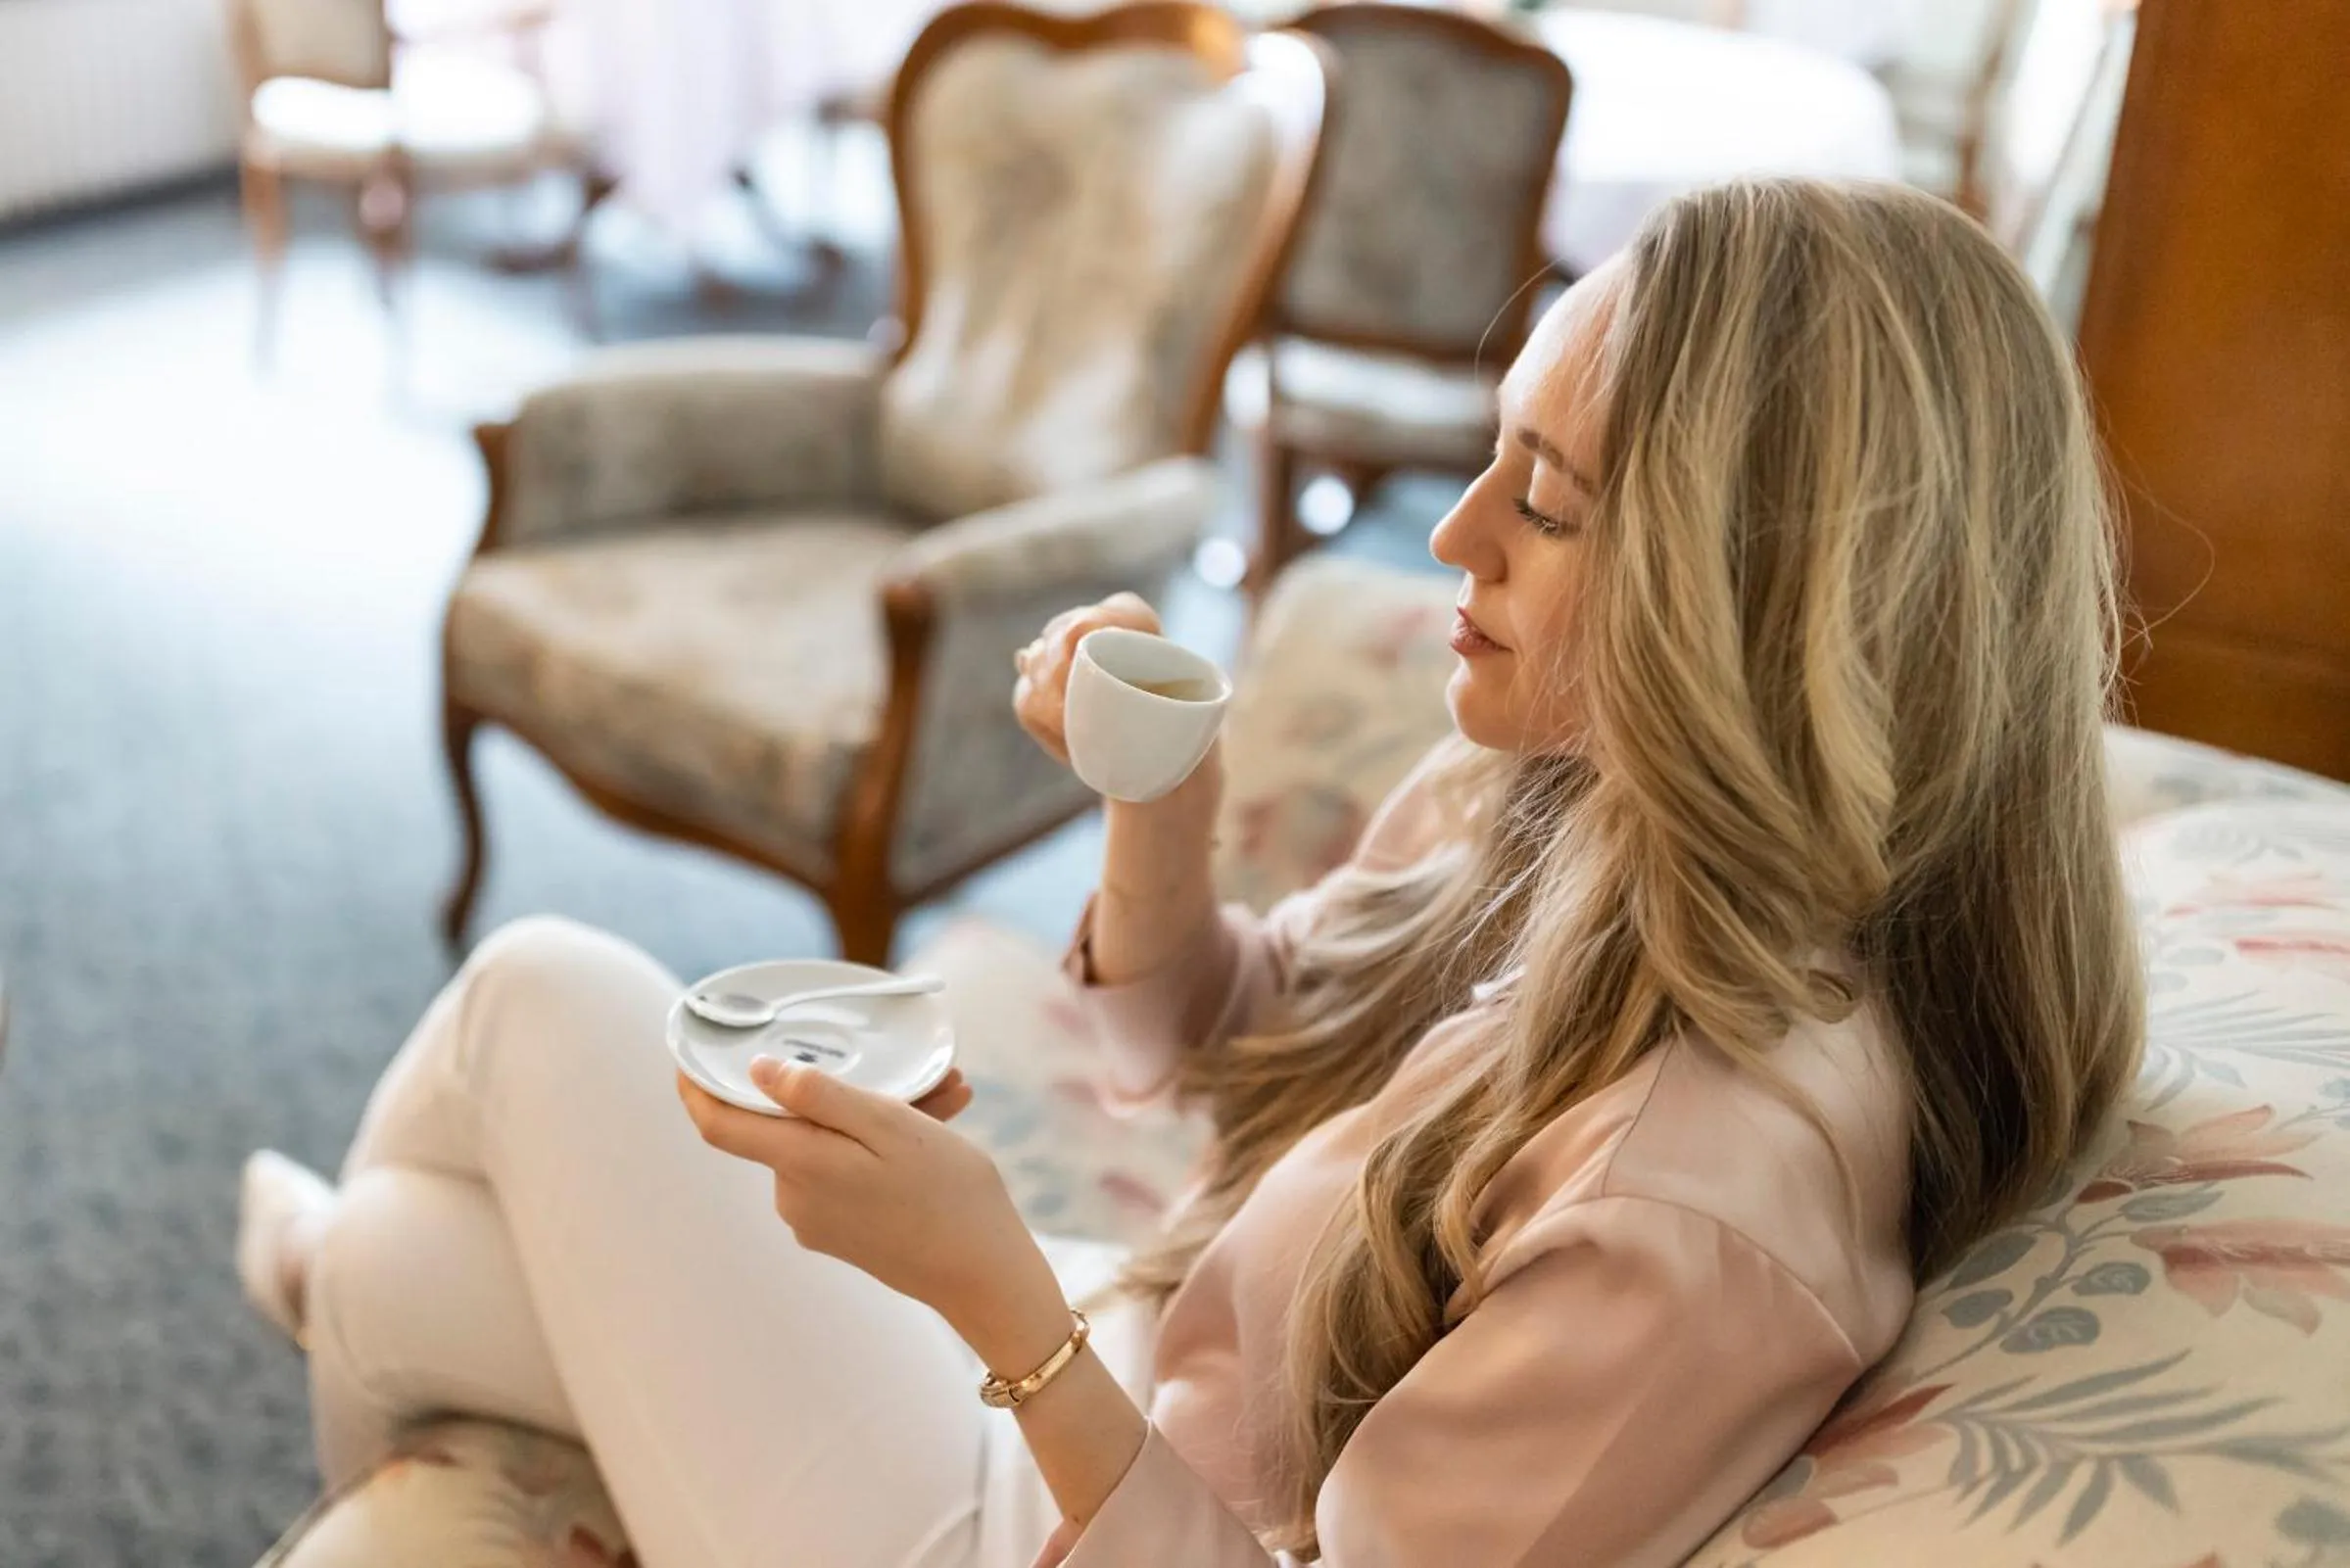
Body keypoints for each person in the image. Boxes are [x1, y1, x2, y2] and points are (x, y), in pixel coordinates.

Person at [235, 177, 2143, 1566]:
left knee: (534, 990)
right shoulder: (1579, 804)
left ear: (1754, 601)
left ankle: (350, 1298)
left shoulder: (1704, 1209)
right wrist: (1163, 805)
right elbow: (1230, 1037)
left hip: (1061, 1502)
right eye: (1493, 457)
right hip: (1132, 1378)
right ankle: (352, 1283)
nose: (1455, 534)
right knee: (403, 1262)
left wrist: (999, 1301)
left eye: (1543, 502)